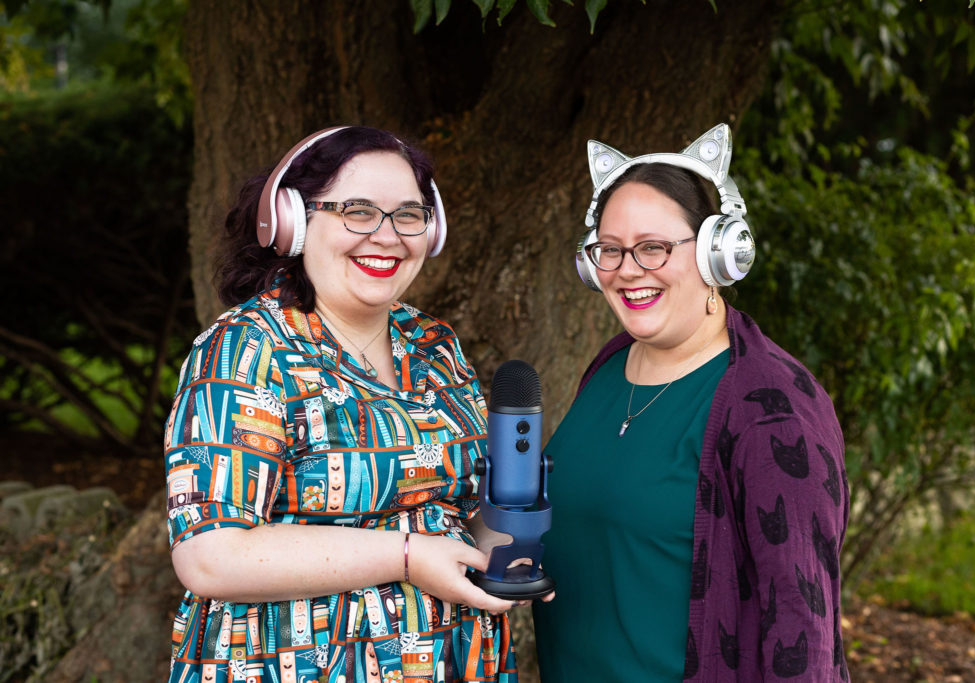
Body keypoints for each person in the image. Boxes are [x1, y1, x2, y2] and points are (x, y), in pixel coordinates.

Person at [163, 125, 521, 682]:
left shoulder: (434, 344)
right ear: (292, 220)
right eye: (358, 211)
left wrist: (511, 551)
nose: (387, 235)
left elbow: (468, 504)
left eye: (408, 215)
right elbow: (210, 557)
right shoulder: (247, 351)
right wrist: (408, 556)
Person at [532, 124, 850, 681]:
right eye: (609, 250)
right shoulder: (611, 366)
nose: (628, 269)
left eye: (654, 247)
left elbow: (801, 630)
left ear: (717, 252)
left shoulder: (771, 408)